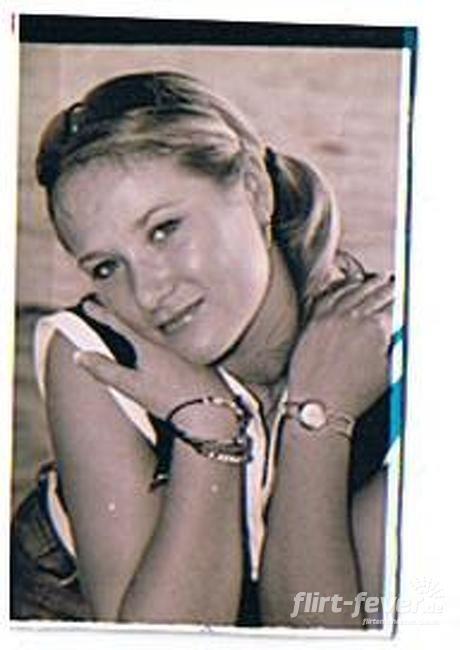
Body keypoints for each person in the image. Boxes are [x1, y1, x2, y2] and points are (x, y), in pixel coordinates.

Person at [11, 71, 396, 627]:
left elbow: (317, 628)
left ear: (255, 191)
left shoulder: (395, 358)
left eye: (164, 229)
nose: (148, 294)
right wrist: (208, 432)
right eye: (107, 267)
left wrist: (317, 418)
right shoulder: (98, 357)